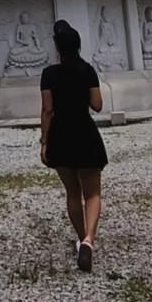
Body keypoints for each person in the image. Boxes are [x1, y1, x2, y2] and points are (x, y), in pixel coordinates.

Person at [40, 20, 108, 273]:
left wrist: (44, 141)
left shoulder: (49, 74)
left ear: (58, 48)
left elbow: (47, 110)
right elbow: (98, 105)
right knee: (92, 193)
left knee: (72, 193)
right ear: (78, 46)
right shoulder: (87, 70)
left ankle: (82, 240)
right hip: (85, 133)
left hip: (60, 135)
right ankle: (89, 240)